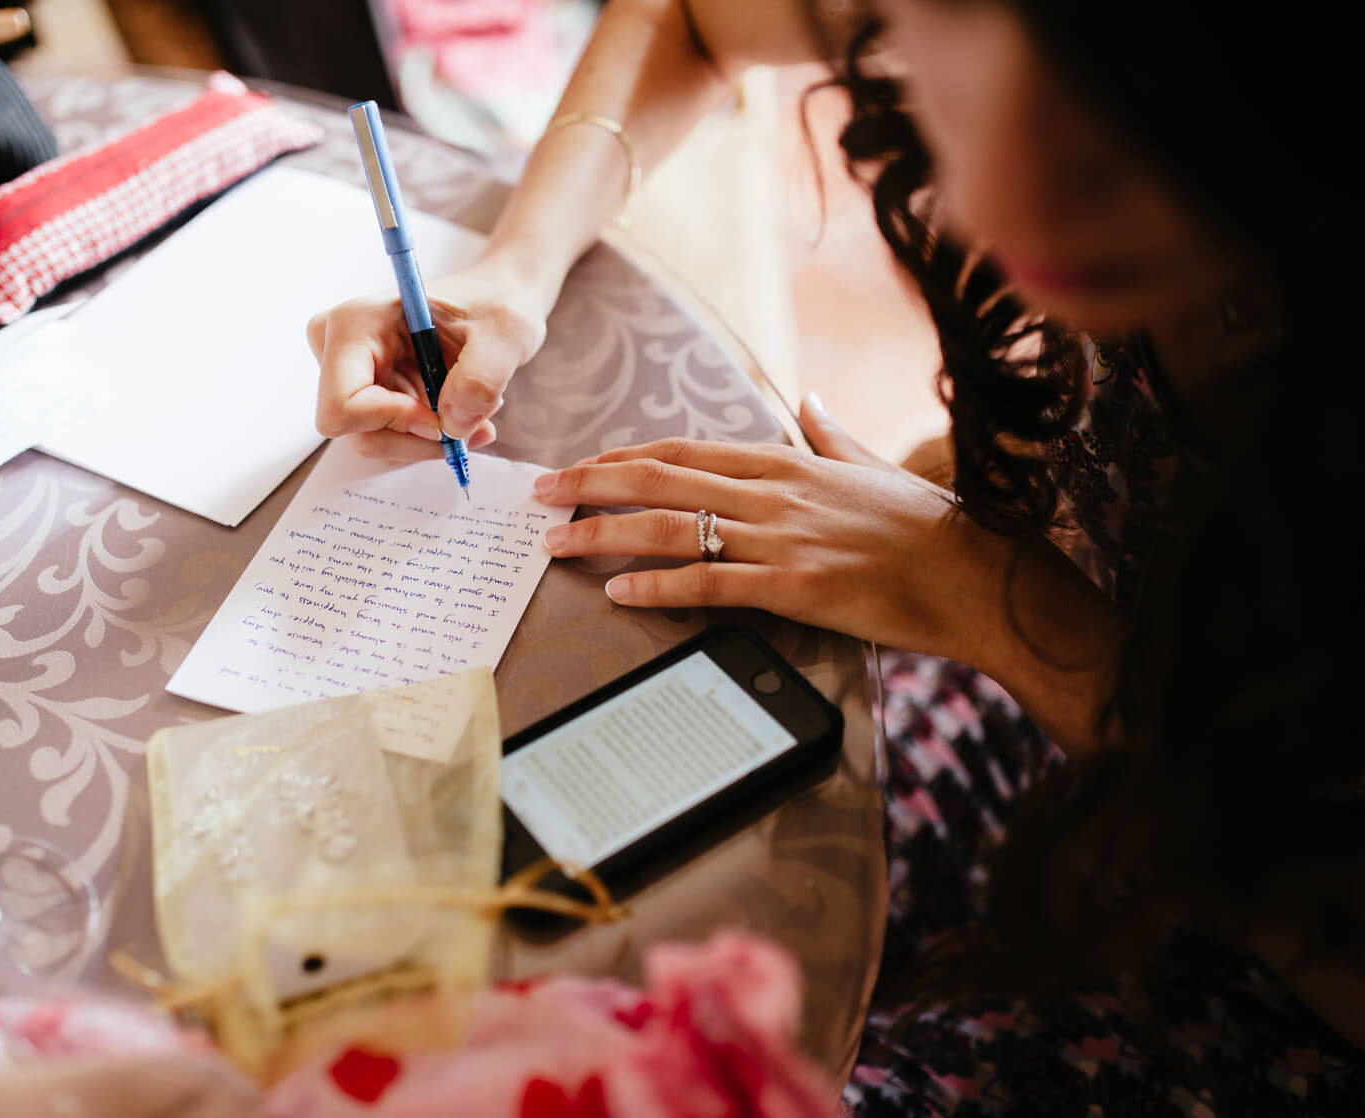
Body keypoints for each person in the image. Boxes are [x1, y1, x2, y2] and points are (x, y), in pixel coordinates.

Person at [307, 0, 1365, 1111]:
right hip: (1045, 703)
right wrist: (514, 275)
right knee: (511, 914)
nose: (1001, 189)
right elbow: (697, 20)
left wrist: (995, 604)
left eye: (1140, 103)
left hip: (1283, 938)